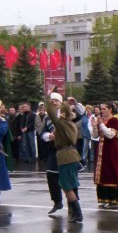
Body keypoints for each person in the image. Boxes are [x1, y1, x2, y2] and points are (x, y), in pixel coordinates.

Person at [44, 91, 83, 222]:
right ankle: (75, 212)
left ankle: (77, 213)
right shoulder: (70, 123)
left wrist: (48, 98)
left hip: (65, 156)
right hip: (71, 154)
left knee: (67, 186)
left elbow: (49, 111)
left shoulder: (61, 123)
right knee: (67, 184)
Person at [93, 102, 118, 208]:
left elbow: (110, 135)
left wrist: (101, 124)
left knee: (112, 172)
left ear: (110, 109)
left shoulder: (114, 120)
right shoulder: (102, 120)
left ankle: (114, 200)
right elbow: (95, 135)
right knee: (104, 174)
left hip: (111, 150)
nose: (102, 111)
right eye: (101, 109)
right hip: (102, 149)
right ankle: (105, 198)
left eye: (104, 109)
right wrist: (94, 126)